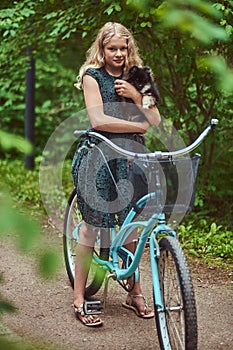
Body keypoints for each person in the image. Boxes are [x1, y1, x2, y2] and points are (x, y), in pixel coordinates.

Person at [72, 22, 161, 327]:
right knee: (92, 226)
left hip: (132, 159)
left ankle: (134, 293)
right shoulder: (91, 76)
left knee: (134, 225)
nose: (119, 53)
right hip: (98, 157)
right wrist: (139, 126)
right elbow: (98, 120)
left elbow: (156, 118)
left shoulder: (140, 76)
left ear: (129, 47)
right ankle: (80, 298)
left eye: (123, 48)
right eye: (112, 49)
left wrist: (137, 96)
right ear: (102, 49)